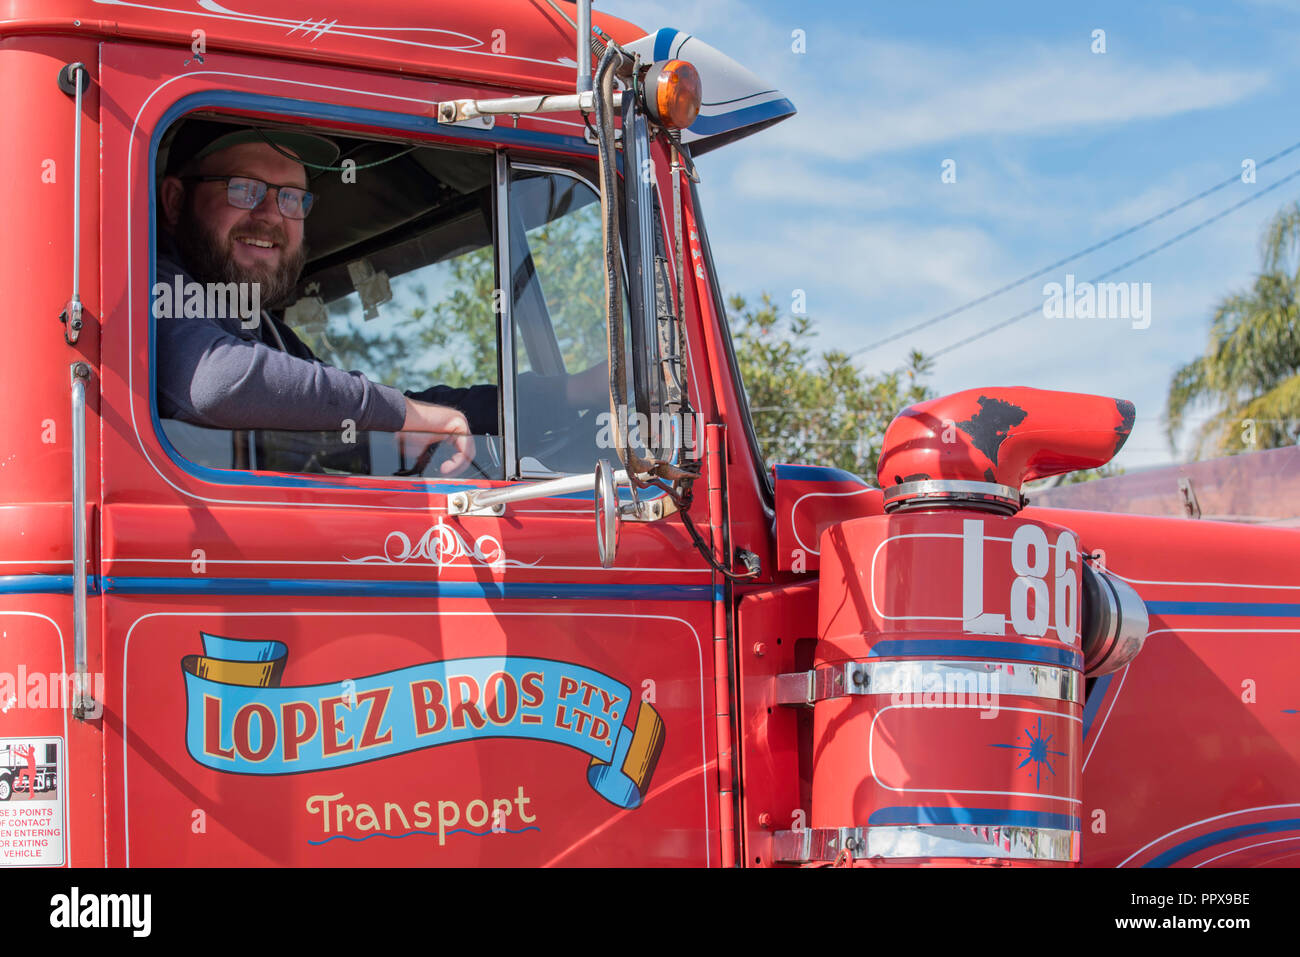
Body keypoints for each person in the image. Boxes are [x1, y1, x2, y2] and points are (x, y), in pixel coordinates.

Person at [154, 121, 606, 476]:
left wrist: (568, 392)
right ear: (174, 201)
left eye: (292, 197)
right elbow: (217, 382)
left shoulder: (266, 331)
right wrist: (401, 413)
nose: (271, 214)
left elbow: (366, 410)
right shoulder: (148, 283)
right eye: (244, 188)